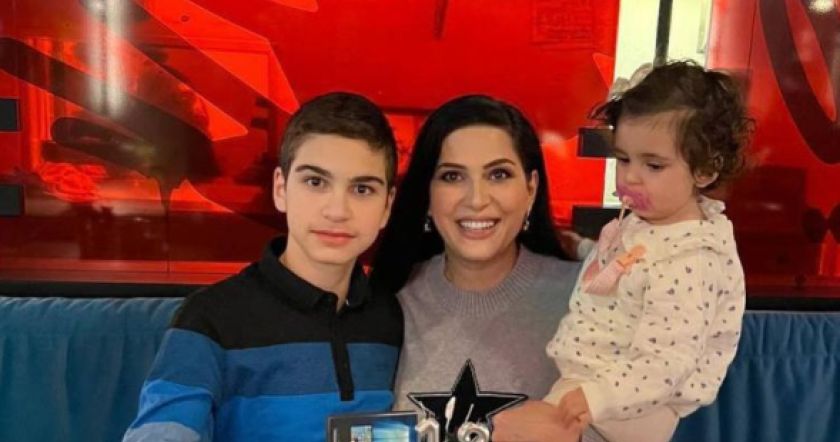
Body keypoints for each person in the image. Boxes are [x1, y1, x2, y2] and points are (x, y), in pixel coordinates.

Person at [494, 60, 752, 442]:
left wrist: (597, 397)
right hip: (596, 387)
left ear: (705, 171)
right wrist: (581, 248)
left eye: (654, 165)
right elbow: (623, 271)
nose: (630, 176)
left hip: (631, 406)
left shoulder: (692, 259)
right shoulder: (650, 224)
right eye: (624, 159)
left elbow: (667, 363)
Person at [123, 92, 401, 442]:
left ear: (387, 206)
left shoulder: (394, 317)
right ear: (281, 189)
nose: (337, 210)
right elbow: (164, 431)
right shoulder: (211, 318)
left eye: (362, 189)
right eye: (315, 182)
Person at [370, 95, 580, 433]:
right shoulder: (390, 302)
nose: (477, 199)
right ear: (427, 194)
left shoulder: (583, 299)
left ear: (530, 188)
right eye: (453, 176)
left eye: (498, 174)